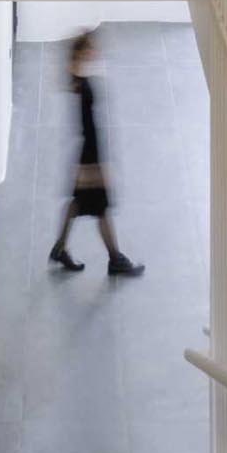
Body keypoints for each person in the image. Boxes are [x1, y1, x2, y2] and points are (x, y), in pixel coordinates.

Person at [48, 28, 145, 277]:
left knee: (79, 203)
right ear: (81, 53)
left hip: (88, 153)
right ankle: (115, 259)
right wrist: (94, 169)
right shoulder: (83, 86)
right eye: (89, 49)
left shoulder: (78, 79)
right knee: (100, 208)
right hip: (90, 154)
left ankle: (60, 248)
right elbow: (87, 128)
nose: (94, 52)